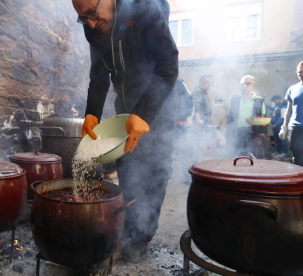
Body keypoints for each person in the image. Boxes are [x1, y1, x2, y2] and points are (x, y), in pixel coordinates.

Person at [71, 0, 178, 263]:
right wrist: (92, 112)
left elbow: (168, 67)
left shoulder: (144, 9)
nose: (92, 24)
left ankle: (142, 238)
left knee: (153, 174)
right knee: (128, 169)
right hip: (125, 108)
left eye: (93, 14)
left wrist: (143, 115)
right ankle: (129, 227)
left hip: (157, 108)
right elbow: (99, 75)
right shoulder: (92, 26)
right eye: (84, 19)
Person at [221, 75, 266, 158]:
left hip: (252, 132)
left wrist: (262, 131)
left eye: (248, 83)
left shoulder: (259, 100)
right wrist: (222, 129)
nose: (245, 86)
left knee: (251, 156)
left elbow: (261, 118)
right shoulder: (234, 98)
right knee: (235, 155)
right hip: (236, 132)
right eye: (243, 84)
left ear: (253, 86)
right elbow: (227, 115)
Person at [279, 61, 303, 166]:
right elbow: (288, 110)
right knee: (297, 155)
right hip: (295, 127)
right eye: (300, 72)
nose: (301, 74)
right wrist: (284, 127)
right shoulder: (292, 89)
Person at [173, 79, 193, 184]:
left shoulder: (179, 83)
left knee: (185, 151)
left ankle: (188, 177)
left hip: (179, 124)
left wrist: (188, 115)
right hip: (162, 125)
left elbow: (189, 99)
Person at [269, 95, 288, 160]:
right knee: (276, 139)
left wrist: (276, 124)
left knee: (282, 139)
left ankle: (283, 152)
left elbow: (283, 117)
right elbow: (274, 115)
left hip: (281, 125)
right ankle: (278, 151)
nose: (275, 103)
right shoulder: (277, 106)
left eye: (275, 101)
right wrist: (273, 122)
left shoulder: (285, 105)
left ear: (279, 99)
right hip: (275, 126)